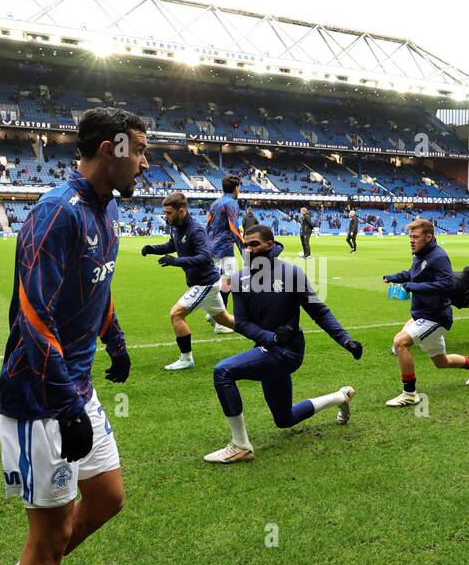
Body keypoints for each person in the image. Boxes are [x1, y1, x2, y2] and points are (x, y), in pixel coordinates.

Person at [0, 107, 143, 565]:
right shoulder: (56, 212)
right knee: (50, 533)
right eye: (138, 150)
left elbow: (99, 283)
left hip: (76, 388)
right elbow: (32, 311)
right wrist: (64, 398)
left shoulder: (108, 210)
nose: (145, 161)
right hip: (39, 396)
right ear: (107, 148)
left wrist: (113, 339)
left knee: (107, 498)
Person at [204, 225, 363, 463]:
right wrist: (271, 338)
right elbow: (243, 323)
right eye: (246, 245)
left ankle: (240, 446)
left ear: (270, 244)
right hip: (267, 349)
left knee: (223, 371)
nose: (248, 249)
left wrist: (345, 340)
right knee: (284, 419)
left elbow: (319, 312)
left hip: (289, 353)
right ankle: (340, 397)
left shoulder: (292, 274)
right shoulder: (238, 279)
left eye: (254, 244)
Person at [383, 218, 469, 407]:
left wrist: (413, 286)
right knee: (442, 361)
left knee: (400, 343)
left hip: (435, 317)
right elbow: (413, 273)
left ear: (429, 237)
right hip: (423, 315)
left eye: (415, 237)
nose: (411, 240)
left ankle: (409, 393)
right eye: (410, 237)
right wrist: (394, 278)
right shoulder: (421, 255)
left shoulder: (438, 256)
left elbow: (448, 284)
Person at [141, 192, 237, 370]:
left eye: (169, 213)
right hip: (201, 283)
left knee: (176, 314)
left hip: (206, 283)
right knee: (226, 321)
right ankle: (263, 335)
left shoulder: (196, 230)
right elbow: (172, 245)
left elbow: (205, 257)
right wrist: (152, 249)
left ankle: (186, 359)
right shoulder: (177, 226)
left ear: (182, 211)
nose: (166, 217)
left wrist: (177, 261)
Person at [206, 176, 243, 329]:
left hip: (212, 247)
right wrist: (244, 251)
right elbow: (234, 228)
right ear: (235, 188)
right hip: (225, 248)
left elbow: (208, 224)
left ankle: (214, 315)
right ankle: (220, 322)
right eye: (239, 187)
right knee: (228, 282)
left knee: (221, 282)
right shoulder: (232, 203)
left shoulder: (215, 203)